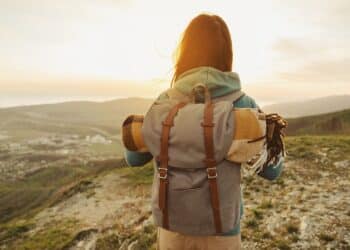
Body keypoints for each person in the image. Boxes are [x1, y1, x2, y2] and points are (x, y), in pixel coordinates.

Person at [124, 14, 284, 250]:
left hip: (172, 229)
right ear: (227, 55)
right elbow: (272, 171)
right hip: (223, 231)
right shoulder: (242, 104)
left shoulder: (165, 103)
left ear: (185, 52)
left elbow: (133, 157)